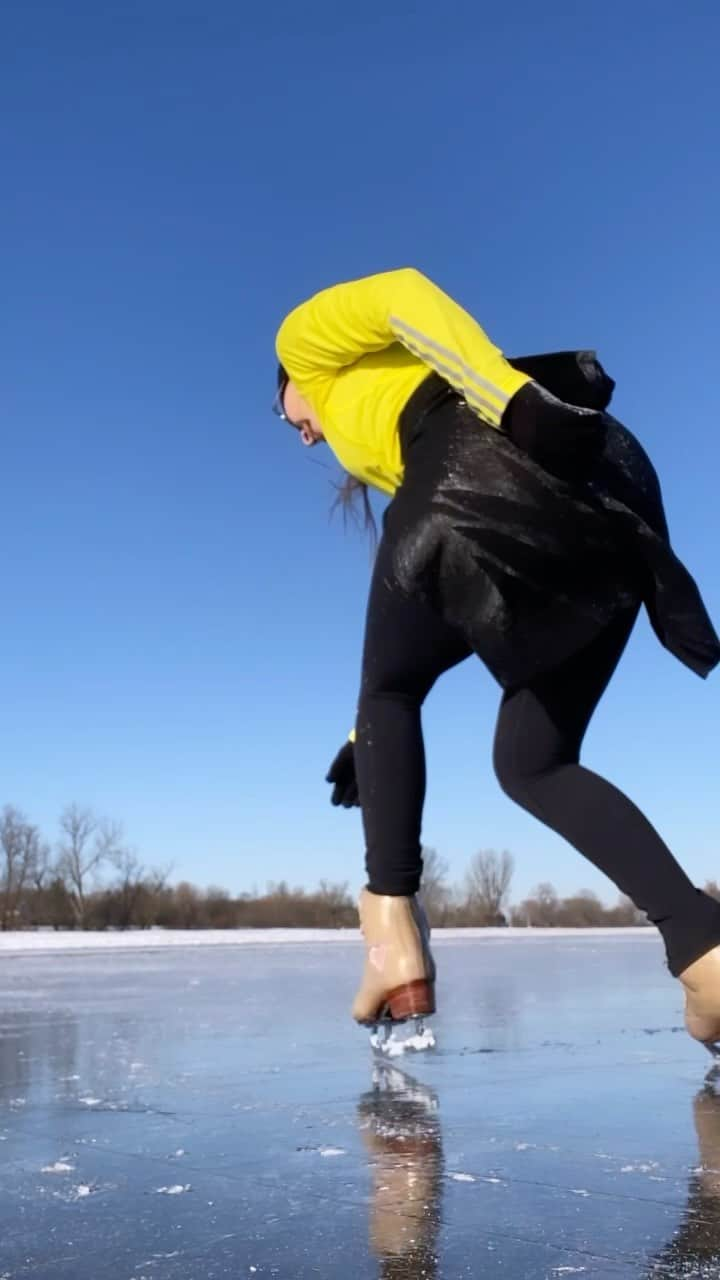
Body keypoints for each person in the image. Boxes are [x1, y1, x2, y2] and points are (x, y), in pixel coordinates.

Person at [273, 267, 720, 1049]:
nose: (299, 432)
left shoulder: (301, 345)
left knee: (388, 692)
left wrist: (510, 401)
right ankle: (706, 951)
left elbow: (399, 295)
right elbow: (426, 605)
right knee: (533, 761)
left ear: (290, 385)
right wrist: (363, 743)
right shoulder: (382, 445)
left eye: (284, 418)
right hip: (612, 489)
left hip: (501, 447)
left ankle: (392, 938)